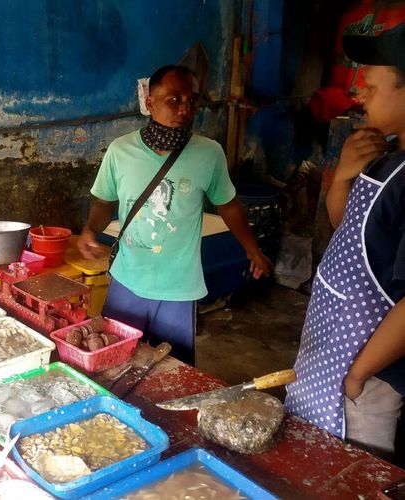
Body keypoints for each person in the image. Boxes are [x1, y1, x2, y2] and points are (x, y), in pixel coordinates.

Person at [77, 65, 272, 365]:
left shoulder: (209, 154)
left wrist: (252, 250)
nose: (184, 109)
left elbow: (229, 206)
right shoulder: (121, 151)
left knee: (175, 371)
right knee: (115, 363)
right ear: (150, 103)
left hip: (179, 288)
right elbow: (104, 201)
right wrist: (90, 229)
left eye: (192, 101)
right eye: (174, 99)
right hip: (128, 280)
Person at [285, 23, 405, 459]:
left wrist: (357, 375)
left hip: (366, 377)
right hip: (329, 352)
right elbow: (351, 233)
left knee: (344, 472)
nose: (361, 96)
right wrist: (342, 178)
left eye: (371, 86)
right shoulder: (386, 155)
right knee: (305, 462)